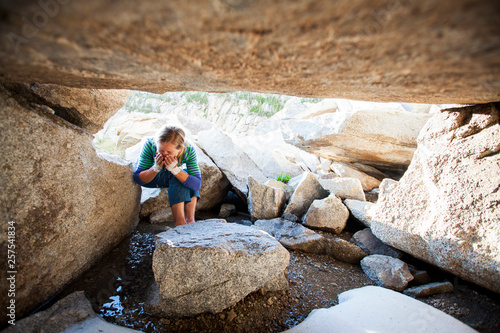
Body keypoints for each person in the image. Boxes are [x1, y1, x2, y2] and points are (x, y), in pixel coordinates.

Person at [133, 125, 201, 226]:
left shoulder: (188, 149)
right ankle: (180, 223)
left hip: (172, 175)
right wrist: (155, 168)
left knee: (184, 176)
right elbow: (138, 179)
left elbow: (196, 185)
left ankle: (190, 220)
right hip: (152, 177)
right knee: (180, 177)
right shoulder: (149, 144)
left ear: (180, 148)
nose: (164, 154)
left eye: (169, 151)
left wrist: (176, 170)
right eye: (160, 150)